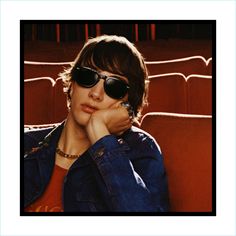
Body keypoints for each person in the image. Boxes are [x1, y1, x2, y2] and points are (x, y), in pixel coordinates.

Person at [24, 35, 169, 213]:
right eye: (88, 76)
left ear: (128, 104)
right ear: (72, 84)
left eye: (114, 86)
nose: (96, 94)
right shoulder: (25, 142)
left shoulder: (140, 149)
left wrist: (99, 132)